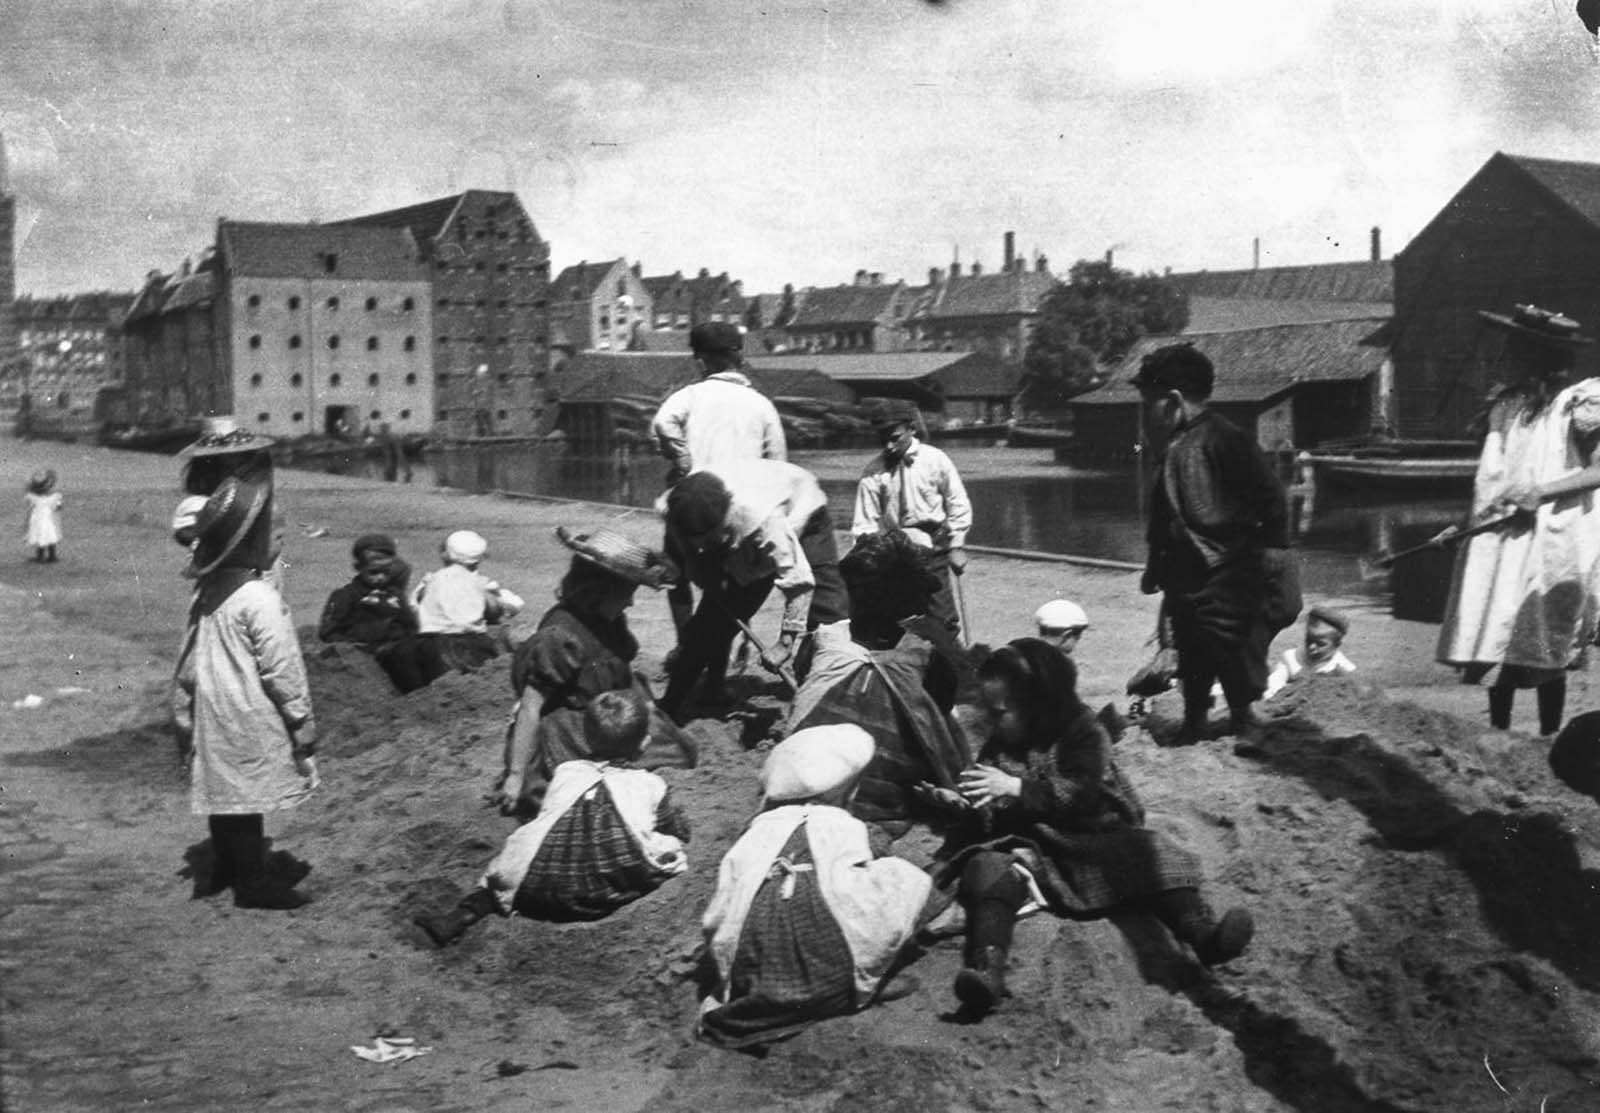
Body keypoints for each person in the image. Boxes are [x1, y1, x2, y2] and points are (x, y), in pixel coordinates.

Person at [924, 639, 1254, 1017]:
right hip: (1040, 847)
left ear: (1039, 703)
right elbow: (984, 811)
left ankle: (1203, 936)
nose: (995, 722)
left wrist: (1017, 787)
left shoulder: (1083, 732)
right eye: (992, 713)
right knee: (985, 868)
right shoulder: (999, 746)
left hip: (1096, 836)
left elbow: (1081, 792)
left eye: (1003, 712)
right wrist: (963, 807)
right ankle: (988, 966)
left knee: (1157, 855)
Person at [698, 724, 933, 1050]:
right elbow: (849, 892)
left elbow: (722, 907)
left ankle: (766, 991)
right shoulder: (843, 825)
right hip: (830, 969)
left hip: (755, 969)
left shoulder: (757, 831)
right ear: (846, 791)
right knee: (901, 877)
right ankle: (857, 983)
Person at [414, 688, 691, 945]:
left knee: (519, 853)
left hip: (537, 891)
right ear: (644, 744)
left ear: (585, 737)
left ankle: (463, 914)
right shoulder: (650, 783)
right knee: (664, 846)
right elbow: (671, 827)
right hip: (605, 890)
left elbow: (556, 815)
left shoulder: (567, 771)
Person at [1437, 305, 1600, 736]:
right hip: (1500, 535)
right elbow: (1490, 478)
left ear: (1538, 356)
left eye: (1513, 349)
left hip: (1551, 538)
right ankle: (1499, 733)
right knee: (1498, 628)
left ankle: (1548, 735)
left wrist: (1541, 492)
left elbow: (1599, 471)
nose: (1503, 357)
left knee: (1545, 632)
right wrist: (1460, 524)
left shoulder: (1576, 406)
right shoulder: (1504, 409)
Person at [1135, 343, 1296, 744]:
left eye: (1148, 405)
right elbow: (1163, 516)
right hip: (1184, 569)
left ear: (1172, 402)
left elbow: (1272, 499)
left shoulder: (1225, 440)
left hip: (1228, 562)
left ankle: (1244, 718)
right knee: (1190, 649)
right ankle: (1194, 719)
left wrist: (1269, 554)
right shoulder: (1172, 447)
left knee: (1230, 644)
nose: (1144, 417)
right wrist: (1155, 566)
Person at [172, 476, 317, 910]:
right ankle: (252, 882)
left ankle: (227, 868)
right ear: (251, 544)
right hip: (249, 707)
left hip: (214, 704)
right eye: (276, 537)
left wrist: (184, 704)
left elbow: (191, 650)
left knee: (226, 795)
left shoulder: (213, 589)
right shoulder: (259, 598)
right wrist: (300, 718)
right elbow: (281, 665)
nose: (280, 545)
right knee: (248, 799)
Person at [493, 526, 696, 819]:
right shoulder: (560, 635)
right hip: (569, 727)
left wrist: (650, 711)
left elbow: (624, 673)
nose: (631, 602)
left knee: (680, 752)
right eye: (627, 593)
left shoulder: (610, 621)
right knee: (573, 790)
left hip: (612, 714)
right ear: (600, 590)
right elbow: (530, 707)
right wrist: (515, 775)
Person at [786, 530, 973, 824]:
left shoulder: (824, 641)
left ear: (852, 593)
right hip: (885, 804)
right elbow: (942, 716)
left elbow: (803, 684)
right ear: (911, 603)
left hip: (802, 783)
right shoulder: (926, 659)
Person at [658, 460, 849, 719]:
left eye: (710, 539)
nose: (704, 547)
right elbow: (689, 558)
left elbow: (800, 582)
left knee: (827, 611)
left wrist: (784, 643)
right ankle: (677, 702)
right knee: (709, 623)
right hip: (740, 527)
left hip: (802, 509)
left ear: (724, 522)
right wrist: (705, 574)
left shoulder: (762, 519)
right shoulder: (676, 509)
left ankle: (838, 694)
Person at [652, 322, 788, 657]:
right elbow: (778, 463)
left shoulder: (688, 396)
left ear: (701, 362)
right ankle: (715, 660)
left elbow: (661, 423)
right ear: (737, 358)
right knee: (728, 583)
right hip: (740, 512)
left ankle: (688, 642)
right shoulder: (761, 405)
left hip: (694, 505)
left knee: (677, 571)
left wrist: (681, 457)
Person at [851, 400, 973, 634]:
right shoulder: (873, 471)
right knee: (904, 616)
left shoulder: (935, 460)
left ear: (912, 429)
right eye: (882, 439)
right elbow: (864, 522)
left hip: (934, 547)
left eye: (895, 437)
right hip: (897, 551)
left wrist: (957, 544)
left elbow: (957, 502)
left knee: (942, 617)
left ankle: (950, 663)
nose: (888, 446)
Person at [317, 533, 440, 693]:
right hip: (374, 648)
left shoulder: (394, 594)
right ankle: (416, 693)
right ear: (358, 568)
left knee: (428, 645)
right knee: (403, 654)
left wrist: (401, 616)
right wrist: (353, 644)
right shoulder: (347, 595)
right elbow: (328, 630)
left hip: (401, 643)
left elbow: (411, 625)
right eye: (374, 572)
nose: (381, 578)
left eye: (386, 572)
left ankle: (439, 688)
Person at [410, 529, 525, 682]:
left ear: (445, 555)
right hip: (468, 642)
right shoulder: (480, 585)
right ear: (477, 560)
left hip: (432, 643)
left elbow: (414, 606)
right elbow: (506, 608)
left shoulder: (430, 582)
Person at [1263, 605, 1357, 700]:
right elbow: (1272, 686)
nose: (1312, 647)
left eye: (1320, 644)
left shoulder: (1345, 669)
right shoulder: (1291, 659)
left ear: (1337, 645)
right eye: (1308, 640)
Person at [24, 469, 62, 563]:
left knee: (40, 536)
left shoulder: (33, 497)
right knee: (50, 535)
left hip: (37, 519)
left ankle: (40, 557)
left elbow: (29, 502)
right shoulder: (54, 497)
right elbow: (58, 507)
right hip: (48, 519)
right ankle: (52, 556)